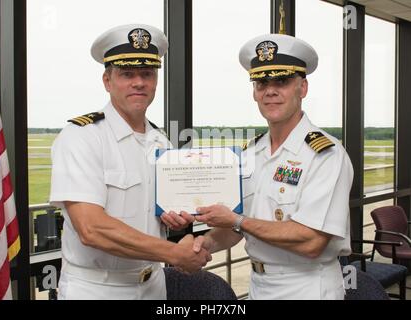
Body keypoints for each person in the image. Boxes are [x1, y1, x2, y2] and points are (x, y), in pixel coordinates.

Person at [50, 24, 211, 300]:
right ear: (107, 80)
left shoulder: (161, 143)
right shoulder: (82, 137)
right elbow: (91, 229)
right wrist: (174, 253)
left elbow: (160, 213)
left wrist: (173, 218)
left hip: (153, 285)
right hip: (97, 289)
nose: (139, 82)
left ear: (156, 81)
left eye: (147, 73)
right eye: (127, 74)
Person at [193, 33, 354, 300]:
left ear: (302, 88)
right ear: (254, 92)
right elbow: (233, 230)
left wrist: (237, 221)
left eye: (282, 80)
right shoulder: (251, 153)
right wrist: (203, 243)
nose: (270, 90)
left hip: (308, 287)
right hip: (260, 285)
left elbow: (311, 241)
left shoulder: (326, 155)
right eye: (262, 82)